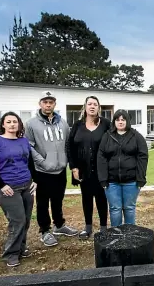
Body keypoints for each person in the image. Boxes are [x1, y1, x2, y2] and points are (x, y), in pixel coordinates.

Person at [0, 112, 37, 267]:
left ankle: (21, 248)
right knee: (17, 220)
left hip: (26, 185)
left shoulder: (23, 141)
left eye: (15, 121)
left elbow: (30, 163)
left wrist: (35, 180)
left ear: (19, 124)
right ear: (3, 125)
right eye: (9, 121)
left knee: (26, 220)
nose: (12, 124)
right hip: (7, 188)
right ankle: (11, 254)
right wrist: (2, 185)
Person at [25, 91, 78, 247]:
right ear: (40, 104)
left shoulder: (62, 122)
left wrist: (68, 162)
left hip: (60, 169)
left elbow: (68, 144)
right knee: (42, 203)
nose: (48, 105)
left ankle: (59, 225)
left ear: (54, 104)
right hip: (42, 171)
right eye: (45, 102)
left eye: (51, 102)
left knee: (58, 200)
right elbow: (28, 146)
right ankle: (45, 231)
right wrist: (41, 161)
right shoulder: (31, 124)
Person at [67, 96, 111, 239]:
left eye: (95, 104)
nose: (92, 106)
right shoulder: (77, 125)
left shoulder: (106, 124)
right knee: (86, 197)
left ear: (99, 108)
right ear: (85, 107)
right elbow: (70, 146)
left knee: (101, 198)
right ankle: (87, 227)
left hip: (101, 169)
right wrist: (73, 167)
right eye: (89, 104)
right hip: (82, 169)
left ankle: (104, 228)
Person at [97, 109, 149, 227]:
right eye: (117, 119)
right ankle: (116, 235)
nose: (120, 122)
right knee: (115, 209)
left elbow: (143, 157)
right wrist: (103, 179)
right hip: (111, 182)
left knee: (129, 208)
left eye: (123, 119)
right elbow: (101, 158)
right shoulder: (107, 136)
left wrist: (141, 177)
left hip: (131, 181)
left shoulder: (136, 136)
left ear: (127, 121)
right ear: (114, 121)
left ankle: (129, 236)